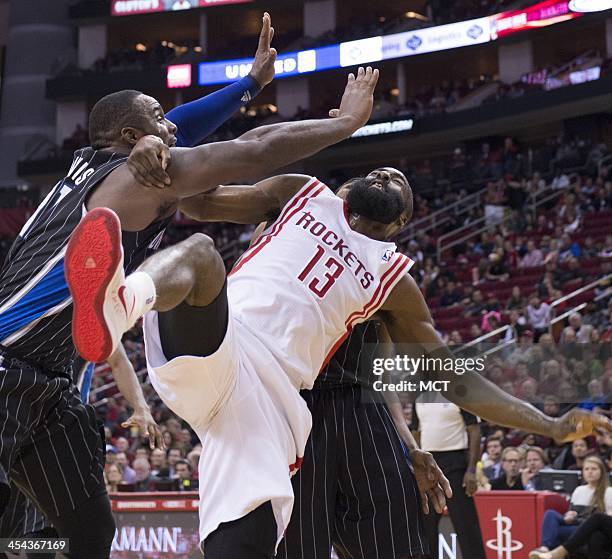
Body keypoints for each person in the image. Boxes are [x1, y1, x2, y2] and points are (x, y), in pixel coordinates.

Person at [67, 164, 612, 558]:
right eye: (383, 172)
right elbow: (203, 198)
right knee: (286, 539)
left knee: (393, 539)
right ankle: (121, 299)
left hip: (343, 407)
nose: (393, 175)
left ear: (399, 228)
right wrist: (166, 158)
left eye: (403, 183)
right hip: (264, 381)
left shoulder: (390, 276)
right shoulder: (299, 203)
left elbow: (442, 378)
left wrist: (542, 425)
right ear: (346, 190)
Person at [0, 14, 381, 557]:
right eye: (160, 119)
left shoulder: (94, 166)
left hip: (54, 384)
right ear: (134, 138)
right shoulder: (144, 175)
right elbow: (255, 149)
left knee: (81, 535)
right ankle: (127, 298)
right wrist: (344, 124)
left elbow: (182, 120)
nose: (173, 127)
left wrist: (249, 85)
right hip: (9, 365)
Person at [412, 394, 487, 559]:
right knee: (426, 526)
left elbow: (474, 431)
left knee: (466, 524)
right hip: (427, 465)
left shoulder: (459, 392)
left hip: (456, 462)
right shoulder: (418, 396)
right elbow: (416, 432)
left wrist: (472, 469)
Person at [529, 456, 612, 558]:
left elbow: (606, 519)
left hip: (587, 527)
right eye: (586, 469)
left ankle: (555, 553)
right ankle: (544, 547)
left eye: (594, 469)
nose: (590, 472)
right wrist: (569, 515)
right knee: (550, 514)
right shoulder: (579, 490)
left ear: (601, 472)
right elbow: (571, 511)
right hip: (574, 522)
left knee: (559, 532)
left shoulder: (608, 492)